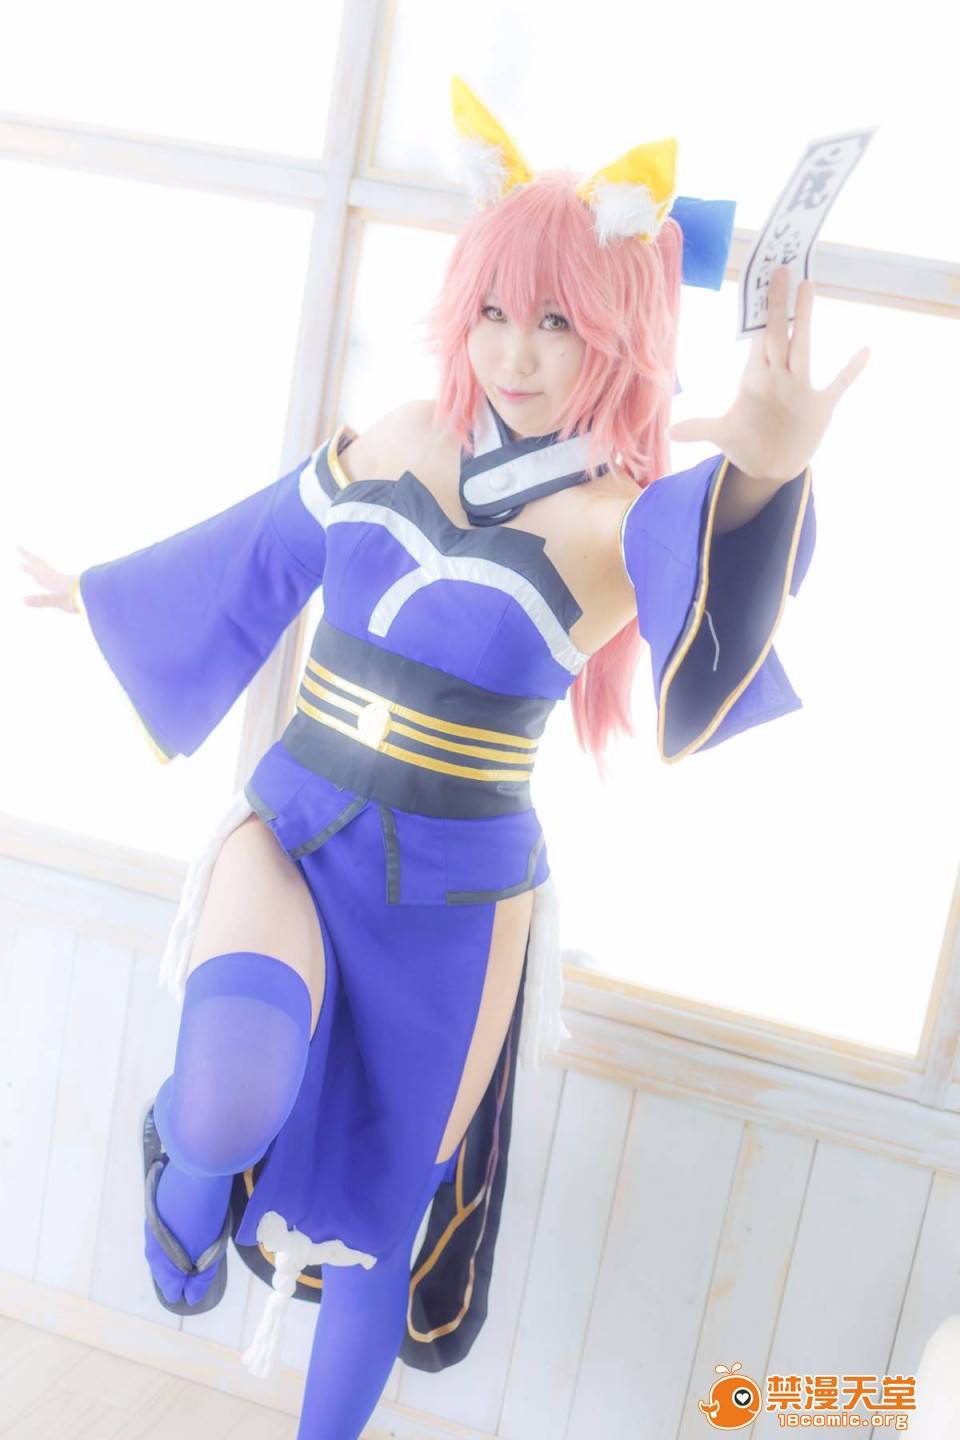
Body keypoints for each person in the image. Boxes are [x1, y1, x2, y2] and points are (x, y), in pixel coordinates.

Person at [16, 74, 867, 1440]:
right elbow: (262, 548)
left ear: (619, 334)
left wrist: (765, 476)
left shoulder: (615, 518)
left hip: (458, 902)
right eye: (494, 312)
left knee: (379, 1214)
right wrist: (106, 594)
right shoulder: (403, 433)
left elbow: (712, 586)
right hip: (297, 830)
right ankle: (184, 1171)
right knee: (223, 1105)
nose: (516, 352)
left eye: (557, 321)